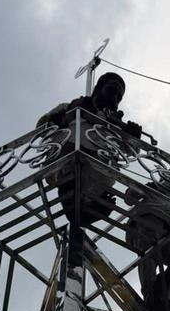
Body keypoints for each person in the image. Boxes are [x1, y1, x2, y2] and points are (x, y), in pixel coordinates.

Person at [36, 73, 144, 232]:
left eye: (118, 97)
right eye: (111, 91)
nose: (114, 99)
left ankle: (88, 211)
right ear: (99, 89)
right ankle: (81, 213)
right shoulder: (71, 106)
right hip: (69, 157)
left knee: (82, 203)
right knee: (70, 188)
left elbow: (131, 151)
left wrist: (134, 137)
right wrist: (60, 119)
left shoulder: (115, 124)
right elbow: (41, 126)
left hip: (97, 169)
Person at [125, 182, 170, 311]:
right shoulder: (154, 189)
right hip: (148, 222)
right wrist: (147, 187)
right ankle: (151, 298)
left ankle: (161, 296)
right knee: (149, 254)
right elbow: (129, 198)